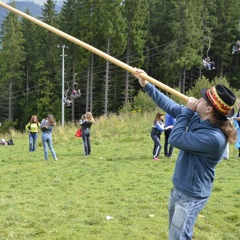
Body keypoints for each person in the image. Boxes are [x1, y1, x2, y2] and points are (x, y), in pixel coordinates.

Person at [133, 68, 236, 240]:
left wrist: (188, 111)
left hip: (191, 195)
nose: (197, 100)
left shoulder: (214, 138)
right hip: (180, 188)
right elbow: (169, 106)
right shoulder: (199, 118)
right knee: (175, 234)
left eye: (202, 99)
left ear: (209, 109)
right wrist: (147, 85)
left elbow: (176, 138)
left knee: (178, 237)